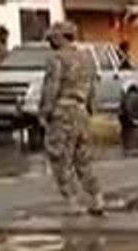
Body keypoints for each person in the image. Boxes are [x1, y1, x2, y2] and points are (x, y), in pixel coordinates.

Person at [39, 21, 103, 216]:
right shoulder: (86, 58)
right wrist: (90, 110)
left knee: (60, 158)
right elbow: (92, 89)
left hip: (63, 113)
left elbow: (51, 88)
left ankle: (73, 202)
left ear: (60, 38)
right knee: (84, 159)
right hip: (82, 112)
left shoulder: (56, 59)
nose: (50, 42)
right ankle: (97, 198)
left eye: (52, 38)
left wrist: (45, 112)